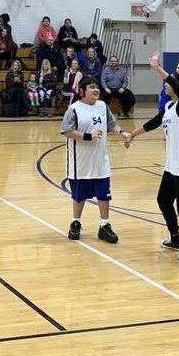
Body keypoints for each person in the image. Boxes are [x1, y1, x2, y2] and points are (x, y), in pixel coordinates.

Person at [124, 53, 179, 262]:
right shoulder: (170, 107)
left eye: (168, 83)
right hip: (172, 164)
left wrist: (156, 67)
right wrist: (133, 134)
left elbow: (175, 84)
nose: (166, 85)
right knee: (163, 200)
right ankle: (175, 239)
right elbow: (154, 122)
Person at [61, 76, 130, 244]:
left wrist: (123, 134)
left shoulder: (102, 106)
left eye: (97, 87)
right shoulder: (74, 109)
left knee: (104, 194)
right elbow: (66, 131)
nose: (96, 90)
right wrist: (88, 136)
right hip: (80, 162)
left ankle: (104, 225)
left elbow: (112, 124)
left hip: (100, 160)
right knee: (79, 196)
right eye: (92, 87)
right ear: (83, 91)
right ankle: (76, 222)